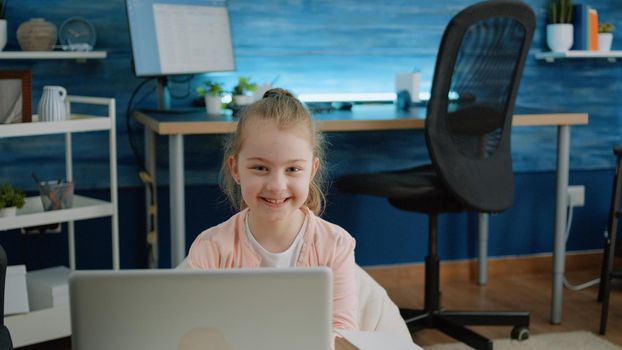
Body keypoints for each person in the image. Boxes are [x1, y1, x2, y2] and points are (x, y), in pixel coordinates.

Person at [185, 88, 358, 332]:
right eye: (260, 168)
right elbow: (196, 330)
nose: (277, 185)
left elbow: (342, 334)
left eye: (293, 169)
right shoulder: (211, 248)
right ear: (235, 169)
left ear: (312, 170)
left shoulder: (335, 245)